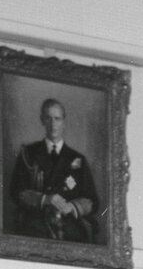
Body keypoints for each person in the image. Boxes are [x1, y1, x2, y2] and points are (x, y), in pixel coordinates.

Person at [8, 97, 100, 242]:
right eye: (48, 118)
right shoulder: (28, 153)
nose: (53, 124)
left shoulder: (77, 159)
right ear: (42, 120)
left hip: (69, 224)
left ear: (64, 122)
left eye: (57, 119)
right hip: (36, 223)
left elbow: (92, 200)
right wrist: (45, 199)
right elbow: (16, 191)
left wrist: (72, 207)